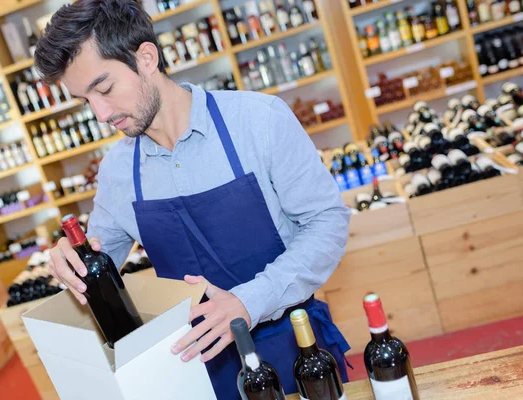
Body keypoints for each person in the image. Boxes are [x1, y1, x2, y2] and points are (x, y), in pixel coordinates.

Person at [38, 0, 351, 397]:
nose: (100, 113)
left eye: (104, 88)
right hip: (194, 369)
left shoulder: (259, 121)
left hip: (294, 349)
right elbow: (103, 268)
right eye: (86, 101)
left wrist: (249, 300)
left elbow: (327, 222)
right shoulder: (118, 172)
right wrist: (72, 263)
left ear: (146, 58)